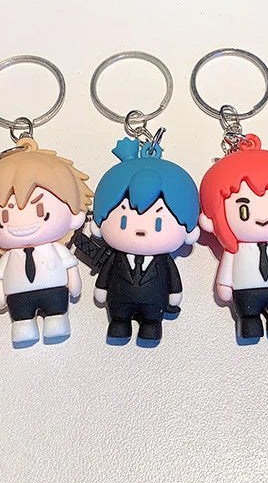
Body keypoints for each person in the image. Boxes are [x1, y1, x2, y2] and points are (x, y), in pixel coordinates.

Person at [0, 137, 93, 347]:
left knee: (56, 317)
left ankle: (57, 321)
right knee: (22, 321)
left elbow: (70, 266)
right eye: (4, 217)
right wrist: (0, 294)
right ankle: (22, 326)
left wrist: (74, 283)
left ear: (74, 215)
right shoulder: (8, 257)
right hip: (18, 297)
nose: (22, 223)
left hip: (55, 291)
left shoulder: (56, 249)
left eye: (40, 210)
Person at [86, 137, 200, 342]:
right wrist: (101, 288)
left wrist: (174, 294)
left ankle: (151, 328)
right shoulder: (117, 256)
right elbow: (107, 272)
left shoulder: (164, 260)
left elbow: (173, 277)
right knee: (119, 323)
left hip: (154, 304)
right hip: (119, 302)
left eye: (158, 223)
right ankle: (119, 325)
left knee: (151, 326)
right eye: (124, 220)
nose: (141, 229)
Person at [199, 135, 268, 340]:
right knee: (248, 318)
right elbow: (228, 265)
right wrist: (225, 284)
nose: (262, 218)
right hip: (246, 292)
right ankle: (248, 324)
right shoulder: (235, 251)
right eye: (243, 210)